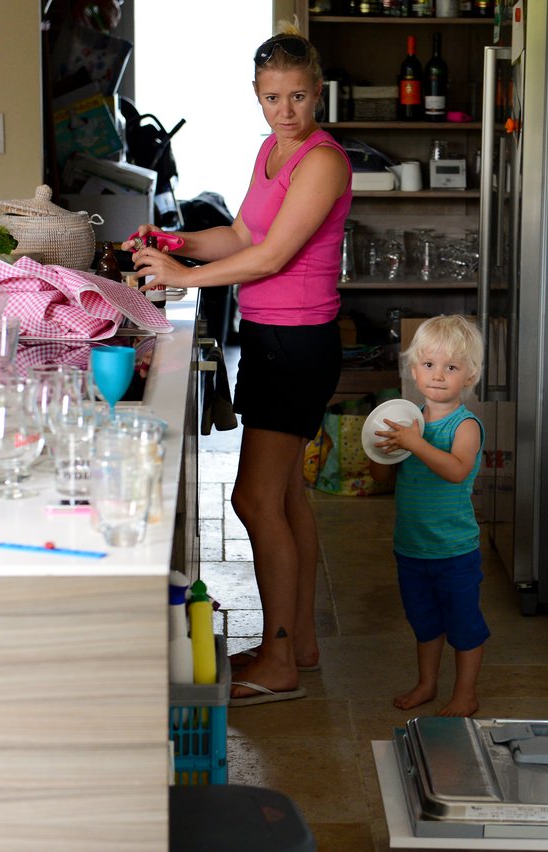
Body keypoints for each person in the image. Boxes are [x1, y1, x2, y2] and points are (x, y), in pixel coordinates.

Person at [125, 26, 351, 707]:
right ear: (257, 97)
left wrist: (183, 277)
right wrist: (178, 242)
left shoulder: (322, 161)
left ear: (317, 91)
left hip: (297, 344)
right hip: (272, 338)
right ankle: (297, 642)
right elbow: (246, 235)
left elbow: (272, 258)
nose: (287, 110)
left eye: (300, 96)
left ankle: (280, 660)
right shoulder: (272, 152)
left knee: (253, 499)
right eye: (273, 98)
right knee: (284, 498)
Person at [368, 315, 489, 717]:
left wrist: (414, 444)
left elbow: (455, 471)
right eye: (429, 365)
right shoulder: (408, 422)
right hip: (412, 546)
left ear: (469, 375)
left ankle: (466, 693)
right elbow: (382, 477)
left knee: (464, 625)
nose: (438, 376)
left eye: (451, 367)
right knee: (424, 621)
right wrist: (383, 453)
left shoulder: (465, 425)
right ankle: (427, 683)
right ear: (414, 369)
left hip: (454, 550)